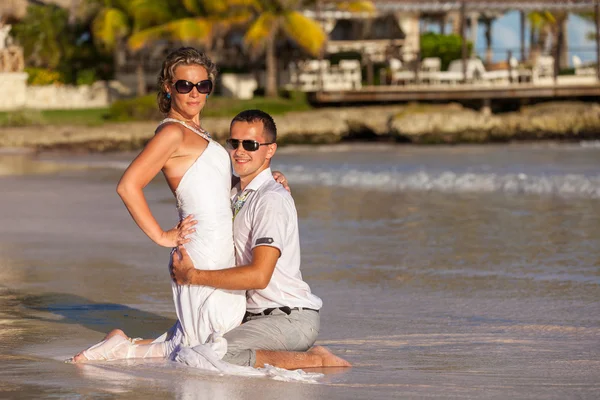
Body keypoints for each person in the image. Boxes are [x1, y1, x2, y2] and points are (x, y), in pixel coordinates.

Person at [71, 48, 286, 363]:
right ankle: (122, 348)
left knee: (206, 335)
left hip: (222, 244)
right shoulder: (172, 132)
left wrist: (267, 178)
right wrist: (161, 236)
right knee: (211, 339)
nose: (195, 93)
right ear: (168, 87)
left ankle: (122, 346)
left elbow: (216, 187)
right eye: (185, 85)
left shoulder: (198, 132)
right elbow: (128, 186)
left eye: (203, 85)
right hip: (201, 246)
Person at [170, 109, 351, 369]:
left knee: (210, 357)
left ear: (270, 150)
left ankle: (316, 359)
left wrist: (193, 276)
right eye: (234, 143)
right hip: (252, 319)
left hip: (288, 319)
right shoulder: (235, 193)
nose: (239, 151)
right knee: (187, 346)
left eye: (251, 144)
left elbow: (259, 276)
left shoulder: (271, 200)